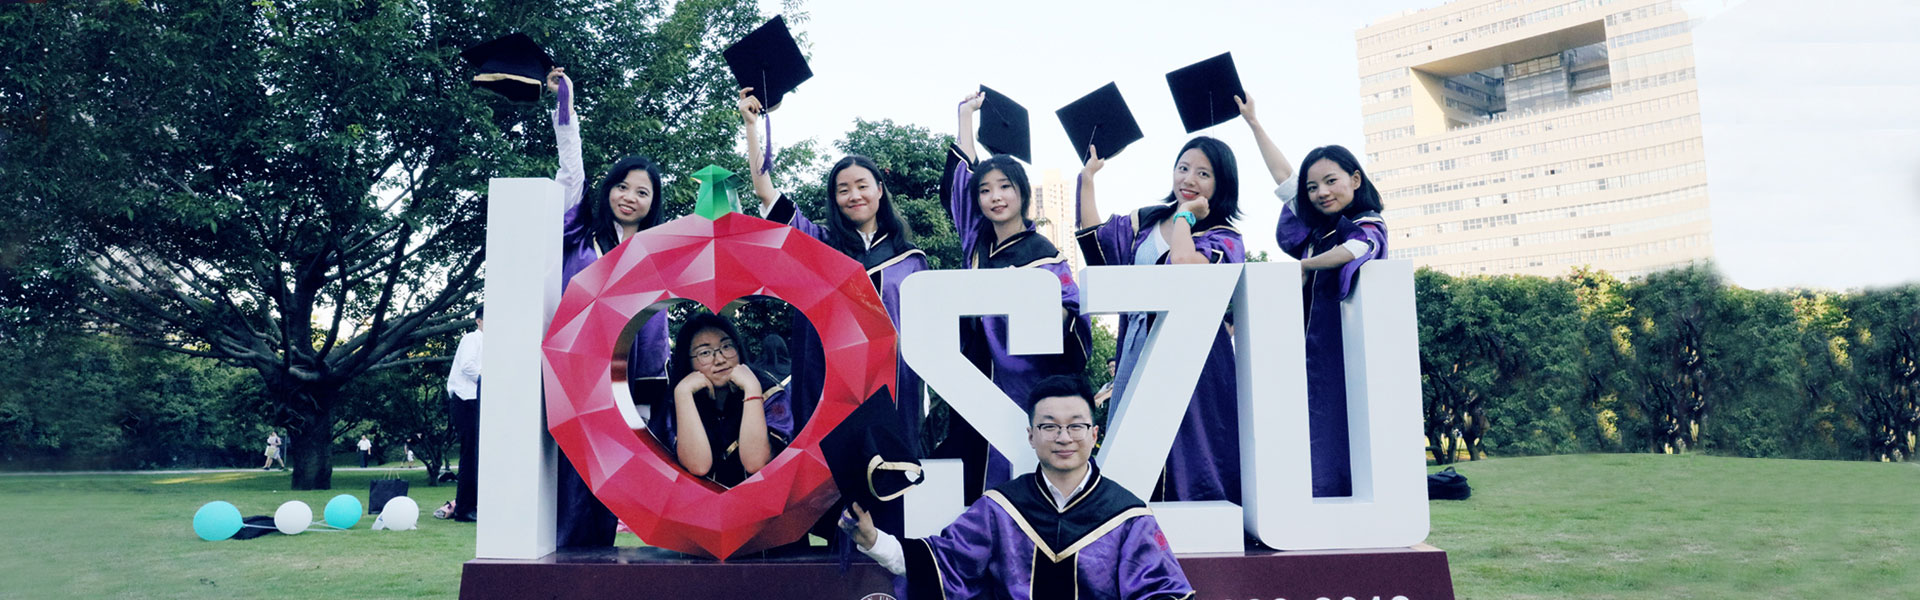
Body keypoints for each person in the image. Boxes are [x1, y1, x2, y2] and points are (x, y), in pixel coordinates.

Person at [844, 375, 1195, 599]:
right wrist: (874, 540)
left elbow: (1162, 590)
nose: (1063, 437)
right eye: (1049, 426)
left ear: (1093, 434)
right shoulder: (1002, 508)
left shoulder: (1127, 516)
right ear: (1031, 436)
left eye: (1075, 426)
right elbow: (943, 562)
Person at [739, 89, 930, 456]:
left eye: (862, 186)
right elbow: (766, 193)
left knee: (893, 471)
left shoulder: (909, 259)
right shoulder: (820, 245)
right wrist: (752, 128)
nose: (854, 195)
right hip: (832, 385)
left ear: (879, 190)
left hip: (894, 386)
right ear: (835, 199)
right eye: (843, 190)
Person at [931, 90, 1093, 503]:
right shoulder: (978, 243)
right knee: (970, 474)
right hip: (972, 377)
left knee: (1011, 473)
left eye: (1005, 187)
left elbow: (1072, 316)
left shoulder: (1044, 256)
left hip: (1018, 381)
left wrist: (1050, 310)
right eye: (986, 190)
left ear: (1022, 193)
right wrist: (965, 118)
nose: (995, 197)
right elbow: (960, 185)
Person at [547, 67, 675, 546]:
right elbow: (569, 172)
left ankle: (596, 556)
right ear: (609, 188)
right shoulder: (582, 232)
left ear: (652, 204)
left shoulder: (653, 255)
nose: (630, 198)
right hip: (571, 368)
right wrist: (566, 108)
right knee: (566, 470)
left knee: (609, 473)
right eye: (623, 186)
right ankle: (562, 552)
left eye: (643, 193)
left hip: (623, 377)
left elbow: (657, 326)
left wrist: (647, 387)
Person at [1272, 139, 1388, 498]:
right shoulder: (1319, 231)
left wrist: (1305, 266)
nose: (1321, 192)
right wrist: (1253, 123)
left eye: (1330, 181)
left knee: (1334, 424)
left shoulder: (1365, 223)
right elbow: (1285, 182)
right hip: (1308, 348)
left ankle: (1333, 494)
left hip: (1343, 350)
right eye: (1313, 187)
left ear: (1355, 179)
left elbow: (1357, 248)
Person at [648, 311, 794, 488]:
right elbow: (698, 466)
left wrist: (752, 390)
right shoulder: (675, 401)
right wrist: (683, 394)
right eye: (705, 352)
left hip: (765, 497)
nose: (720, 359)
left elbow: (756, 463)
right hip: (697, 501)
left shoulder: (769, 392)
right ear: (688, 361)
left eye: (726, 346)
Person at [441, 307, 484, 522]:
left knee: (479, 454)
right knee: (470, 453)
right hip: (466, 399)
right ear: (478, 321)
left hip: (479, 399)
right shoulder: (472, 339)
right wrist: (487, 381)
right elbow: (467, 366)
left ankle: (473, 504)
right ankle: (464, 508)